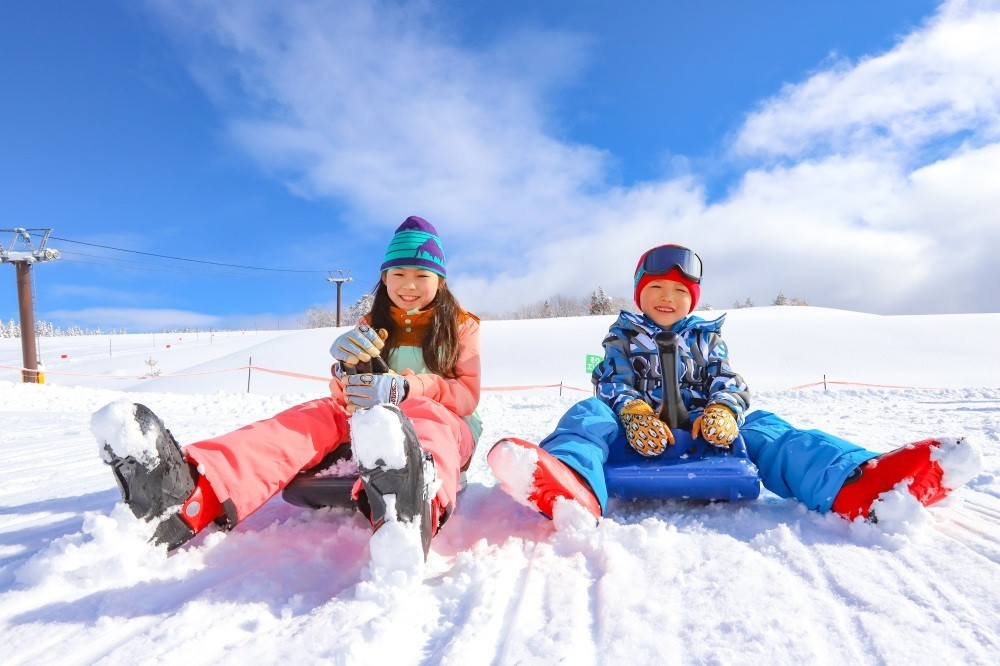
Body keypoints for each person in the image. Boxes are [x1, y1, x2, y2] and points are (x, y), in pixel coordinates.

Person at [488, 243, 980, 523]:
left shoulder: (706, 340)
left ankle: (855, 484)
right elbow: (610, 381)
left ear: (692, 298)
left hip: (705, 442)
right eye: (655, 288)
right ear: (640, 295)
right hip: (635, 444)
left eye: (678, 291)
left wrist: (723, 411)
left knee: (766, 428)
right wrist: (634, 413)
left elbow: (729, 381)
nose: (666, 298)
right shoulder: (622, 339)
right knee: (587, 415)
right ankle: (568, 480)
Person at [94, 216, 481, 559]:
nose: (408, 285)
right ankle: (193, 496)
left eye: (421, 276)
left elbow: (466, 396)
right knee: (314, 415)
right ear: (384, 278)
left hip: (445, 425)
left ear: (440, 280)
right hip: (374, 415)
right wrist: (348, 377)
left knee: (424, 416)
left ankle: (413, 511)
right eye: (398, 274)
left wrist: (409, 389)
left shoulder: (461, 326)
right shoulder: (371, 323)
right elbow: (345, 396)